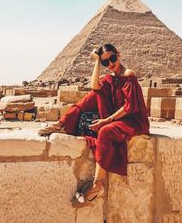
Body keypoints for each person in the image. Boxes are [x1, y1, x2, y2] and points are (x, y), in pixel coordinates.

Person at [38, 43, 150, 208]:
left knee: (104, 131)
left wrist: (106, 120)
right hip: (118, 116)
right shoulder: (111, 78)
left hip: (133, 120)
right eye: (106, 62)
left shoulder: (128, 75)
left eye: (112, 58)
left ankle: (97, 186)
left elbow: (129, 107)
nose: (110, 63)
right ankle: (61, 123)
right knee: (93, 94)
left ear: (119, 54)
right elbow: (94, 86)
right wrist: (97, 61)